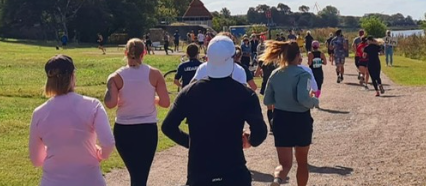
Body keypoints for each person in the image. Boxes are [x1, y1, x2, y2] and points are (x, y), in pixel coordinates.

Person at [162, 36, 268, 186]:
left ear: (207, 58)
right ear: (233, 58)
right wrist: (250, 140)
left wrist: (191, 142)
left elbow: (168, 127)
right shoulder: (245, 94)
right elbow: (260, 132)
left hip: (199, 170)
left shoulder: (189, 92)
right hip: (234, 170)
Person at [30, 55, 115, 186]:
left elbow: (37, 160)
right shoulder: (93, 105)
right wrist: (100, 154)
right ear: (72, 76)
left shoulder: (39, 113)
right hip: (90, 180)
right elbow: (108, 143)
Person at [103, 38, 172, 186]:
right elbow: (166, 103)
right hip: (147, 129)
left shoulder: (115, 76)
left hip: (124, 129)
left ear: (125, 53)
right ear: (144, 53)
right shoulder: (155, 74)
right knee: (140, 175)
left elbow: (110, 104)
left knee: (136, 173)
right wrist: (153, 99)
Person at [261, 41, 320, 186]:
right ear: (298, 56)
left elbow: (267, 100)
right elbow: (303, 98)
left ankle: (277, 180)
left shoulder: (275, 74)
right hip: (300, 120)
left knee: (284, 164)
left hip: (281, 118)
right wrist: (314, 101)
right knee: (302, 162)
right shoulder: (303, 74)